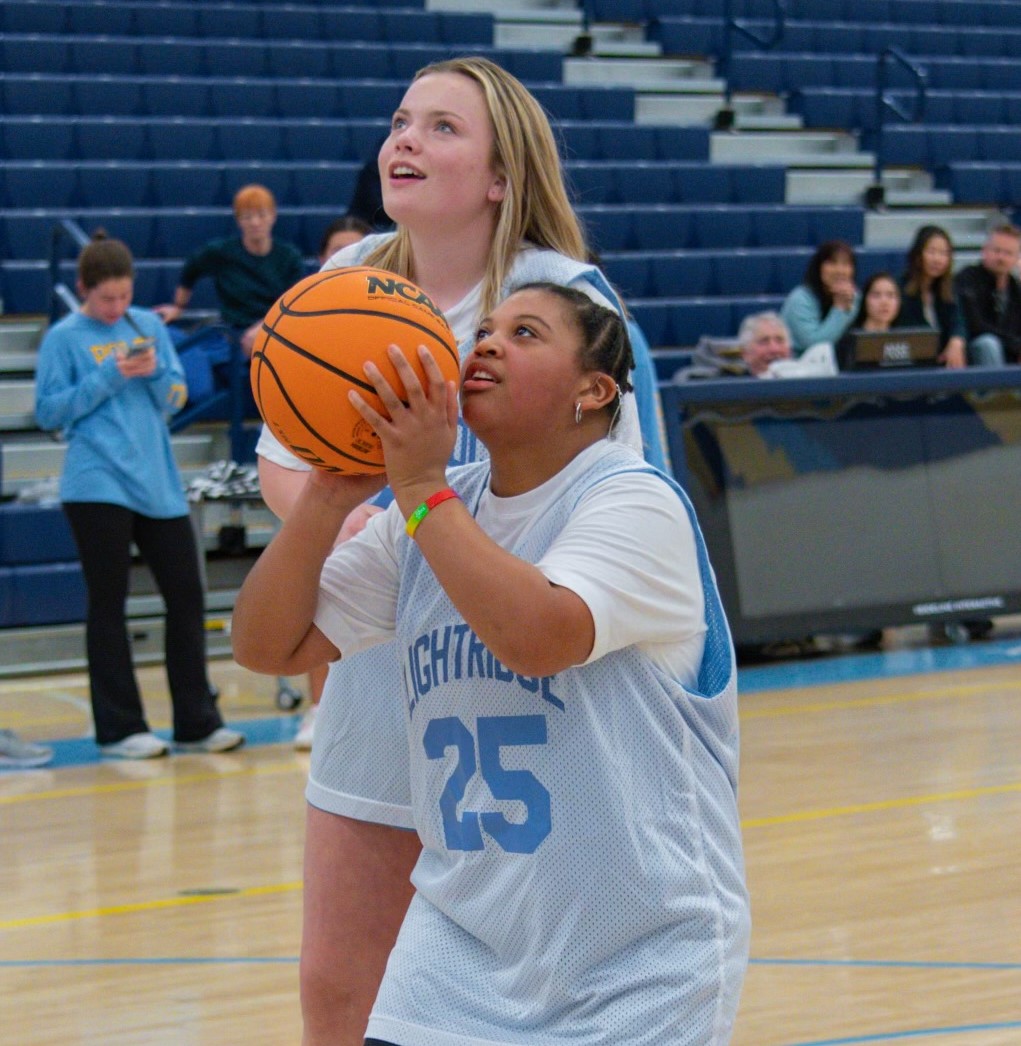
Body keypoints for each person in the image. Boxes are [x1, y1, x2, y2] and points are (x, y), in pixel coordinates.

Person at [254, 56, 666, 1044]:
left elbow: (605, 498)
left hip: (513, 695)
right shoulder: (345, 280)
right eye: (400, 121)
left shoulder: (565, 301)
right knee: (336, 986)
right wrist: (349, 525)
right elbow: (283, 458)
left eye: (441, 127)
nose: (405, 139)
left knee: (517, 998)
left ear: (499, 174)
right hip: (378, 658)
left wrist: (423, 518)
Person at [233, 281, 750, 1045]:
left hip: (634, 958)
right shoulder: (432, 510)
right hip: (456, 942)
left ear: (593, 388)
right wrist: (323, 497)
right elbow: (266, 645)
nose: (486, 345)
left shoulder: (632, 501)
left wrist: (415, 487)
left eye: (526, 333)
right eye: (483, 330)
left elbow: (538, 637)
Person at [34, 233, 244, 760]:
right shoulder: (64, 338)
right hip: (96, 483)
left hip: (157, 480)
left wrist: (153, 376)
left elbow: (175, 396)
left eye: (124, 297)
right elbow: (49, 412)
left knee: (187, 596)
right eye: (107, 299)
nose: (117, 308)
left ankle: (197, 721)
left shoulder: (148, 326)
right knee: (109, 603)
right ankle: (120, 728)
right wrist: (109, 374)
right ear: (84, 289)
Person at [289, 213, 375, 752]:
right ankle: (317, 708)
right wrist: (331, 513)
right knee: (317, 601)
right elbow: (278, 458)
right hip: (335, 503)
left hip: (404, 508)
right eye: (339, 252)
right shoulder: (305, 336)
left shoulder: (395, 325)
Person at [155, 183, 306, 358]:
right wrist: (179, 306)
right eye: (247, 217)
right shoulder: (221, 252)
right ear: (238, 220)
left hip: (276, 332)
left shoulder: (290, 257)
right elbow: (192, 267)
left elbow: (294, 302)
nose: (255, 222)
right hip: (231, 333)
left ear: (273, 216)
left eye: (261, 215)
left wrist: (263, 329)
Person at [898, 225, 966, 368]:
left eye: (944, 253)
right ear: (917, 254)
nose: (938, 259)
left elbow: (958, 321)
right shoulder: (900, 288)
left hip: (943, 361)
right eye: (932, 252)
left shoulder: (949, 288)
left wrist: (956, 341)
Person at [953, 222, 1021, 365]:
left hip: (1009, 351)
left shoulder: (1016, 288)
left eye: (1008, 253)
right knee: (988, 344)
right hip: (973, 349)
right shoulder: (967, 278)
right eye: (996, 251)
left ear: (1016, 259)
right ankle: (998, 387)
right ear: (984, 251)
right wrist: (1015, 345)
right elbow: (976, 325)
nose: (1001, 258)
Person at [780, 239, 860, 355]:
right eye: (832, 263)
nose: (840, 270)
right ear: (819, 267)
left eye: (846, 264)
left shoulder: (854, 297)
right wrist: (840, 309)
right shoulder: (800, 299)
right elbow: (815, 345)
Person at [678, 310, 793, 379]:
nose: (774, 349)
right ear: (745, 353)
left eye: (780, 340)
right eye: (764, 341)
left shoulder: (804, 373)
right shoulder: (719, 382)